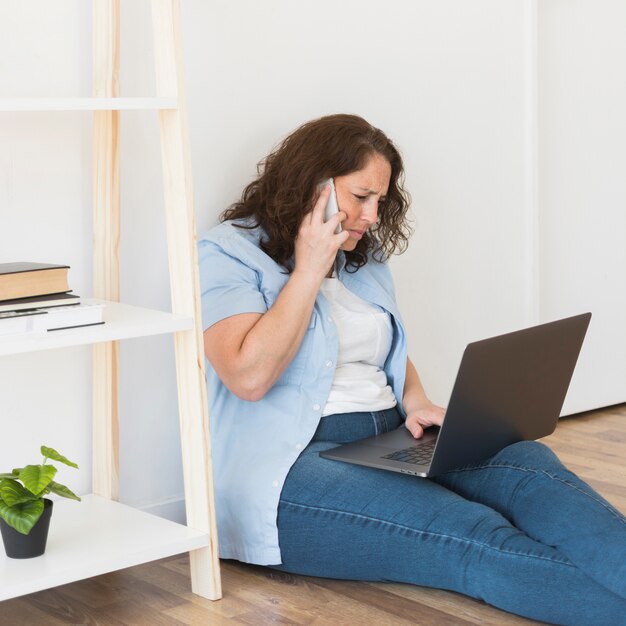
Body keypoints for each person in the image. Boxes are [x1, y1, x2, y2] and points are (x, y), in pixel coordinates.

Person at [198, 114, 626, 626]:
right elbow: (248, 376)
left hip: (388, 433)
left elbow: (381, 350)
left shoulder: (362, 257)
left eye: (380, 200)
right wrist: (310, 266)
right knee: (471, 533)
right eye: (361, 196)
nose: (372, 216)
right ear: (312, 184)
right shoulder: (228, 253)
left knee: (530, 467)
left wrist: (418, 399)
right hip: (289, 467)